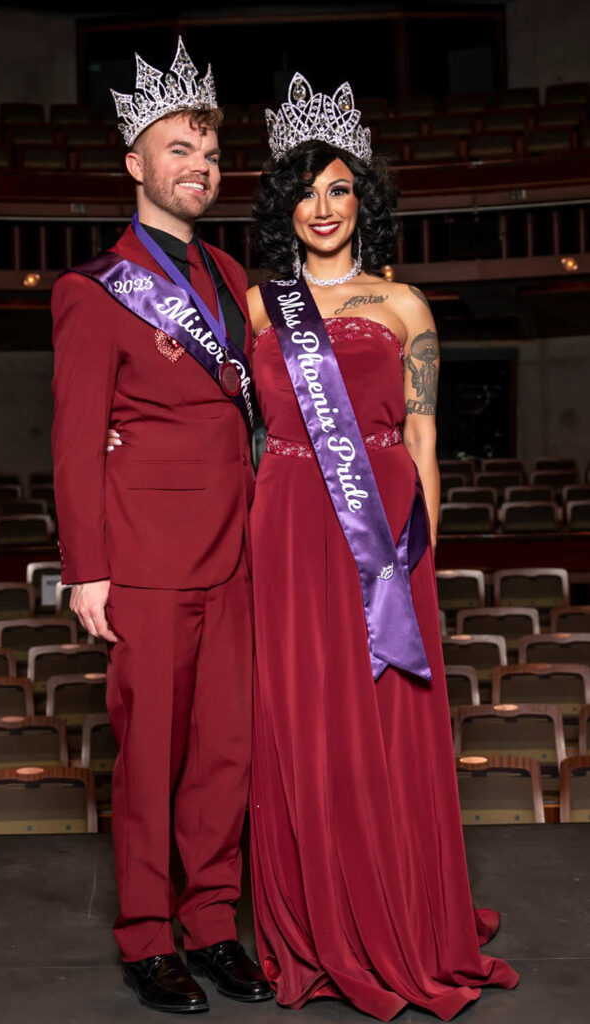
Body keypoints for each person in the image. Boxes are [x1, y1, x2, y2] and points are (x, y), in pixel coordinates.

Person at [245, 74, 519, 1021]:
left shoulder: (405, 305)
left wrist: (417, 562)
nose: (321, 209)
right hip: (284, 519)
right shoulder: (256, 305)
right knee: (298, 720)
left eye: (338, 188)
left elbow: (423, 442)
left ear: (365, 197)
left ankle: (397, 912)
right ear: (284, 207)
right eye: (303, 193)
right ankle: (315, 919)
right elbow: (231, 427)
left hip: (379, 527)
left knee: (381, 716)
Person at [51, 38, 270, 1013]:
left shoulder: (228, 272)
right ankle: (147, 935)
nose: (199, 168)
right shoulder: (92, 290)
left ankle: (214, 920)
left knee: (225, 754)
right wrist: (85, 571)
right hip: (140, 563)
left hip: (240, 556)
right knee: (147, 762)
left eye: (210, 154)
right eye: (177, 148)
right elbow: (70, 442)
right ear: (134, 162)